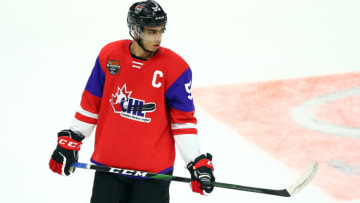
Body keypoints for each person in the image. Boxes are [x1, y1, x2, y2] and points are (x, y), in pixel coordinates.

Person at [49, 0, 215, 202]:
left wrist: (195, 161)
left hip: (153, 175)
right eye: (151, 32)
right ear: (135, 30)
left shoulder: (176, 68)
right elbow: (91, 104)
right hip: (108, 168)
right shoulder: (109, 56)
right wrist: (73, 138)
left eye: (161, 31)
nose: (158, 38)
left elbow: (183, 122)